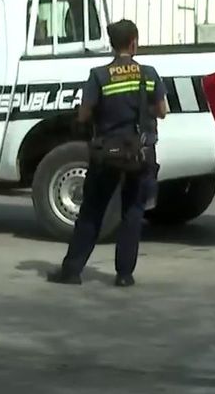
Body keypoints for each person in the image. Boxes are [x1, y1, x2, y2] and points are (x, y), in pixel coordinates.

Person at [47, 19, 167, 288]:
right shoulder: (149, 74)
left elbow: (84, 114)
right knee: (132, 212)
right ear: (134, 42)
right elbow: (161, 110)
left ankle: (72, 271)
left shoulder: (99, 75)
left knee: (92, 211)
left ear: (112, 44)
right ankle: (124, 275)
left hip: (107, 154)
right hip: (141, 153)